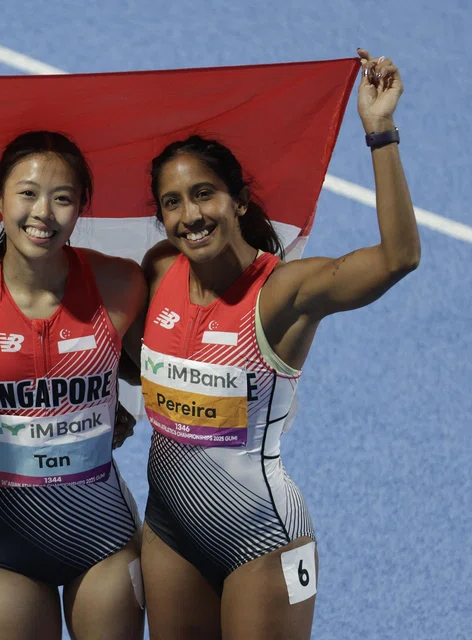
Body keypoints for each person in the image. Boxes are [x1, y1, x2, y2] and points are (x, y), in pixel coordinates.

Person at [126, 49, 418, 639]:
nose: (191, 215)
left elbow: (397, 258)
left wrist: (380, 133)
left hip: (261, 539)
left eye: (204, 194)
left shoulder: (281, 291)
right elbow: (143, 366)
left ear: (238, 200)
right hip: (168, 530)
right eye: (172, 202)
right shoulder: (160, 271)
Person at [0, 131, 147, 640]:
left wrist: (104, 402)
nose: (42, 212)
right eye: (26, 193)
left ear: (82, 205)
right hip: (8, 544)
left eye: (62, 198)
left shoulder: (121, 284)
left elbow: (150, 360)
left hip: (103, 535)